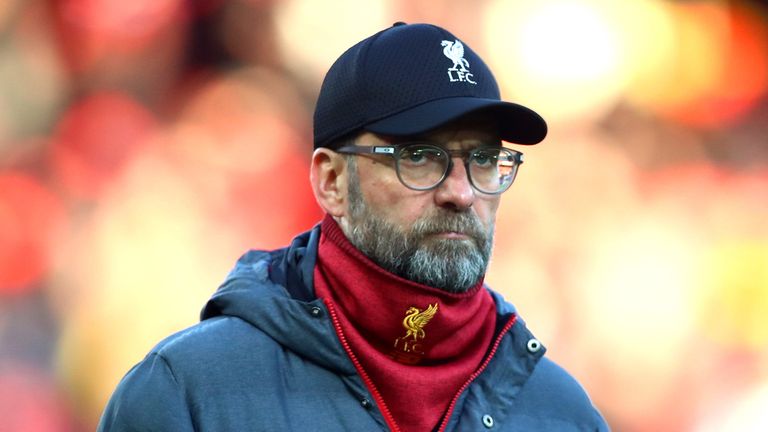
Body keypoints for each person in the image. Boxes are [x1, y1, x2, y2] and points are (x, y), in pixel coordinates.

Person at [98, 22, 609, 431]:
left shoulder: (563, 414)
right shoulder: (189, 394)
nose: (462, 192)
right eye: (420, 157)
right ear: (331, 180)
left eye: (483, 159)